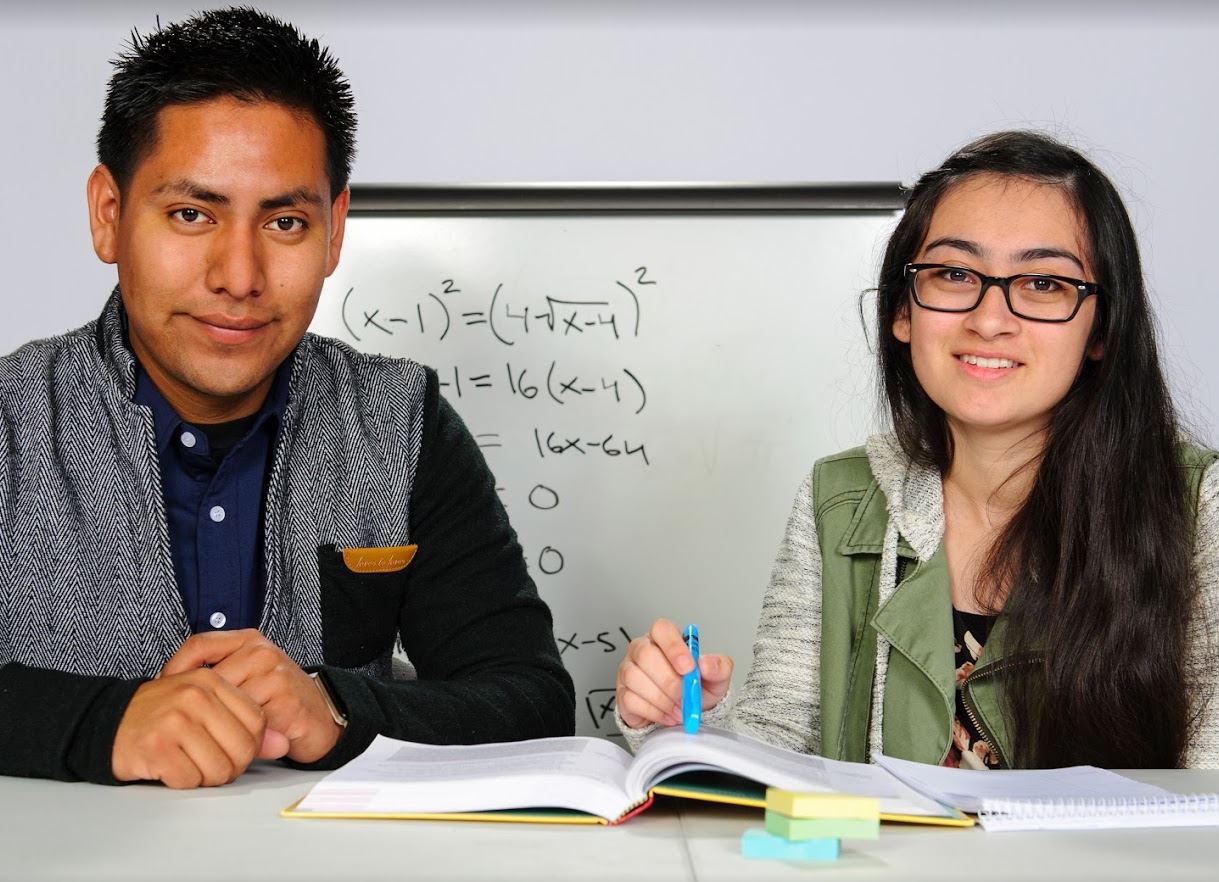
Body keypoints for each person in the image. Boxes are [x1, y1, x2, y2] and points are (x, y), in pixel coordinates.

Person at [0, 7, 573, 790]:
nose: (238, 276)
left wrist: (338, 710)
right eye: (191, 214)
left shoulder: (402, 423)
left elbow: (532, 700)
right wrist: (105, 722)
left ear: (335, 231)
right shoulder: (10, 419)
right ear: (109, 215)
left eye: (286, 221)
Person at [616, 131, 1219, 770]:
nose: (990, 319)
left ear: (1101, 328)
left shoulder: (1200, 509)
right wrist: (680, 721)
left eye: (1043, 282)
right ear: (903, 312)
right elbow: (778, 755)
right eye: (955, 273)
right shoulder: (841, 500)